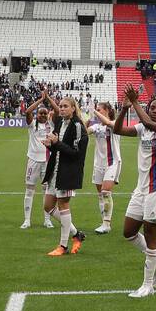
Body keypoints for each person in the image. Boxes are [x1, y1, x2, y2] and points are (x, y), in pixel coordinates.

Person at [112, 87, 156, 298]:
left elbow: (149, 122)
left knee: (150, 235)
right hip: (141, 187)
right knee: (128, 232)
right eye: (152, 107)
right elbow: (118, 130)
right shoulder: (143, 128)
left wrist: (136, 101)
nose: (155, 110)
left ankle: (147, 285)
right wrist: (124, 108)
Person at [43, 95, 88, 256]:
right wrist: (50, 145)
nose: (61, 108)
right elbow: (58, 148)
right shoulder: (60, 122)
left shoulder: (77, 126)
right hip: (55, 169)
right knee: (48, 206)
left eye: (65, 106)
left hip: (68, 172)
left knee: (63, 206)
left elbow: (76, 153)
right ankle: (77, 234)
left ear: (73, 108)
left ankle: (62, 246)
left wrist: (56, 143)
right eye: (60, 106)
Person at [19, 97, 54, 229]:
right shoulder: (32, 124)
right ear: (37, 114)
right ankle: (27, 220)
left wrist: (49, 99)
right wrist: (40, 100)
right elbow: (28, 111)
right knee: (29, 190)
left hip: (47, 161)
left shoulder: (51, 124)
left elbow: (56, 110)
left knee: (47, 190)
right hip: (33, 160)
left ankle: (47, 220)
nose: (43, 115)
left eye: (45, 113)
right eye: (41, 113)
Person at [89, 102, 122, 235]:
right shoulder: (96, 126)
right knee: (100, 195)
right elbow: (86, 132)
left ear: (107, 110)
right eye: (96, 110)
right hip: (99, 164)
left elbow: (108, 123)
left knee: (105, 192)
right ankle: (104, 221)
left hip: (112, 163)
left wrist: (93, 111)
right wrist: (86, 120)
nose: (97, 112)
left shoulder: (115, 124)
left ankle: (106, 224)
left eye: (99, 110)